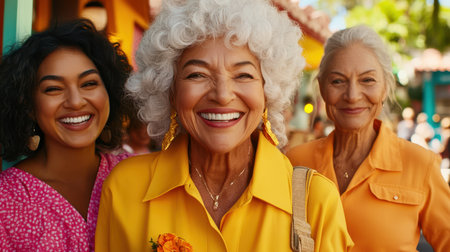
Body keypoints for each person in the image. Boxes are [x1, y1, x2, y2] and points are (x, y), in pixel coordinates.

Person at [95, 0, 353, 251]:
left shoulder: (315, 201)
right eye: (197, 74)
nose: (222, 94)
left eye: (243, 75)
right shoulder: (125, 188)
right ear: (170, 90)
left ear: (268, 91)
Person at [287, 25, 450, 251]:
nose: (352, 95)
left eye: (367, 80)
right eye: (337, 81)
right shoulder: (294, 162)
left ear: (384, 88)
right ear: (322, 89)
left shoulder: (420, 164)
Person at [0, 19, 133, 251]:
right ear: (29, 105)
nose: (75, 101)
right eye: (53, 88)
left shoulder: (139, 177)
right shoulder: (6, 200)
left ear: (109, 92)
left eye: (89, 83)